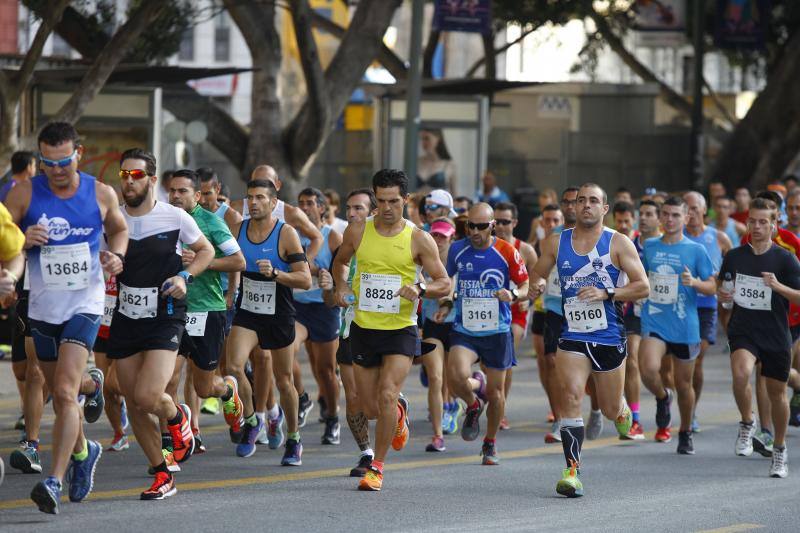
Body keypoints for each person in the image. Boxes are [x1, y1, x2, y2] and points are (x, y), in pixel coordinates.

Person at [5, 122, 129, 514]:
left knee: (61, 391)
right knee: (62, 393)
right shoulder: (23, 193)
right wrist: (24, 243)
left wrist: (116, 256)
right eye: (47, 163)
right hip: (42, 306)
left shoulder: (100, 192)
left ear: (79, 152)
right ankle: (83, 449)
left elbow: (119, 229)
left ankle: (54, 480)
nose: (56, 170)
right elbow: (7, 244)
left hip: (84, 304)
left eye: (63, 162)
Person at [332, 169, 450, 491]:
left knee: (385, 393)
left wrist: (421, 287)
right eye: (381, 201)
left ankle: (377, 467)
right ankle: (399, 410)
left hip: (400, 328)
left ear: (406, 200)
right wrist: (341, 286)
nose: (386, 208)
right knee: (370, 407)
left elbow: (444, 282)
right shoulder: (358, 230)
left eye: (394, 201)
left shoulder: (418, 238)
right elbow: (341, 261)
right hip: (364, 326)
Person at [107, 149, 215, 501]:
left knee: (148, 395)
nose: (128, 181)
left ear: (152, 180)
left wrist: (186, 275)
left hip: (165, 313)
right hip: (126, 315)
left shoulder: (175, 217)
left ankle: (174, 414)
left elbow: (206, 251)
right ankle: (162, 473)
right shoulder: (114, 219)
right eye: (124, 174)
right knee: (134, 404)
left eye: (136, 175)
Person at [531, 182, 649, 498]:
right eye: (581, 200)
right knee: (571, 395)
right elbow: (537, 272)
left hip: (609, 334)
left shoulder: (619, 243)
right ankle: (572, 470)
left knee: (609, 409)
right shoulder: (557, 243)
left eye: (593, 201)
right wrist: (538, 284)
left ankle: (622, 409)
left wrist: (608, 292)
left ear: (604, 209)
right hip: (572, 332)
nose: (585, 205)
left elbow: (642, 287)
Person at [225, 179, 311, 463]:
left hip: (279, 312)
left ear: (274, 203)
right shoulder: (238, 230)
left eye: (260, 197)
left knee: (284, 381)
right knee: (234, 366)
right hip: (248, 310)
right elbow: (224, 259)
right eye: (250, 197)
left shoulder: (285, 233)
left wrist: (277, 273)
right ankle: (252, 420)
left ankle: (294, 438)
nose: (254, 203)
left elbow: (305, 279)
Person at [165, 169, 246, 455]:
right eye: (172, 191)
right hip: (172, 309)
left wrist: (204, 260)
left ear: (197, 195)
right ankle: (175, 438)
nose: (175, 196)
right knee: (167, 379)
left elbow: (238, 261)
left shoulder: (210, 223)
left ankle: (227, 391)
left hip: (206, 311)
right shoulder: (163, 220)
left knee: (203, 387)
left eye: (182, 191)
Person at [719, 197, 800, 478]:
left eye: (763, 222)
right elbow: (725, 294)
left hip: (776, 334)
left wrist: (778, 287)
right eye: (752, 220)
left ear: (774, 226)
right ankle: (747, 422)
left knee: (777, 395)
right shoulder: (735, 256)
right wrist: (725, 297)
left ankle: (779, 448)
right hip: (744, 329)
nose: (755, 226)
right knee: (741, 374)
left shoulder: (785, 259)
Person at [444, 203, 529, 465]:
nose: (475, 232)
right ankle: (471, 404)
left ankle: (490, 443)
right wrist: (446, 304)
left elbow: (525, 284)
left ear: (493, 225)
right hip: (465, 329)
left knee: (496, 392)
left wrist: (513, 294)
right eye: (471, 226)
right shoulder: (457, 249)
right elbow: (445, 282)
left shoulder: (507, 251)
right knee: (455, 375)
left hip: (497, 331)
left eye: (482, 226)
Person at [638, 196, 715, 454]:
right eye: (666, 214)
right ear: (661, 217)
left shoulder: (695, 250)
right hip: (655, 318)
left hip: (685, 325)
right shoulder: (649, 246)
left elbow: (712, 285)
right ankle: (662, 397)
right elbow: (641, 276)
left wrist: (694, 283)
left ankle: (685, 431)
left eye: (675, 215)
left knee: (684, 384)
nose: (670, 220)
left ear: (686, 218)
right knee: (648, 369)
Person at [324, 188, 378, 476]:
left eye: (359, 208)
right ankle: (366, 454)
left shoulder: (388, 240)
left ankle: (398, 406)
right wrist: (334, 288)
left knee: (376, 403)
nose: (352, 213)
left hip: (385, 329)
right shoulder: (345, 245)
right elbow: (333, 295)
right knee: (354, 398)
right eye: (349, 207)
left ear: (373, 211)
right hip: (349, 329)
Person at [293, 187, 343, 445]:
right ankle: (302, 397)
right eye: (301, 203)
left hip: (323, 307)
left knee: (325, 371)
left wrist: (323, 275)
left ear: (322, 208)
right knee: (284, 351)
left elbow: (340, 274)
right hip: (297, 306)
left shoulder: (331, 236)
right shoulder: (290, 233)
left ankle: (333, 417)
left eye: (310, 203)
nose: (305, 207)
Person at [683, 191, 732, 432]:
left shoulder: (719, 238)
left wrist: (727, 289)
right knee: (675, 365)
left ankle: (691, 411)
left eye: (693, 208)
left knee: (696, 359)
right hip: (678, 305)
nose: (689, 213)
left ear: (704, 211)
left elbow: (733, 268)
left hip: (706, 306)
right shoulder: (674, 237)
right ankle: (681, 401)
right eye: (686, 208)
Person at [493, 201, 541, 429]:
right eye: (497, 221)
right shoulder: (487, 246)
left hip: (515, 310)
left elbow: (539, 278)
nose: (501, 226)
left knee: (506, 355)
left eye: (505, 222)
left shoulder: (525, 249)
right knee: (488, 363)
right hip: (489, 308)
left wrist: (528, 299)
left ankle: (500, 408)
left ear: (514, 222)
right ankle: (489, 392)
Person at [621, 199, 662, 440]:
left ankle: (663, 399)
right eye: (642, 213)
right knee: (632, 359)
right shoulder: (627, 244)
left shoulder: (665, 245)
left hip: (664, 314)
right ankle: (635, 420)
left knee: (663, 373)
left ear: (659, 218)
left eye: (649, 214)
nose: (644, 218)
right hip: (635, 312)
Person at [540, 188, 579, 443]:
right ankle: (560, 418)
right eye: (566, 202)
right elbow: (540, 270)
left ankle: (596, 408)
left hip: (583, 307)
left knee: (592, 367)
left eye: (575, 202)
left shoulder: (596, 237)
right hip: (555, 305)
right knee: (553, 362)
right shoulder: (553, 237)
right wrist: (534, 285)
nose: (570, 206)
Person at [419, 218, 458, 451]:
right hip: (432, 325)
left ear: (452, 238)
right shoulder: (423, 262)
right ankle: (437, 435)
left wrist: (447, 303)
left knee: (454, 379)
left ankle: (475, 386)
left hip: (457, 326)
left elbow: (453, 292)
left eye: (443, 236)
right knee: (435, 377)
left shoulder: (460, 261)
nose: (438, 239)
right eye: (435, 235)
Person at [530, 204, 563, 442]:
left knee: (585, 365)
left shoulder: (569, 239)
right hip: (547, 307)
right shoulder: (542, 244)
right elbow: (534, 275)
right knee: (548, 361)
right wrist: (532, 290)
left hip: (576, 309)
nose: (551, 224)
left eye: (555, 220)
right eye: (547, 220)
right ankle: (559, 413)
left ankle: (594, 408)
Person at [416, 128, 455, 193]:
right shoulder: (416, 162)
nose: (423, 142)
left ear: (438, 139)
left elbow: (454, 194)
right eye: (422, 139)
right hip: (416, 202)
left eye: (427, 138)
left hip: (439, 202)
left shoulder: (449, 165)